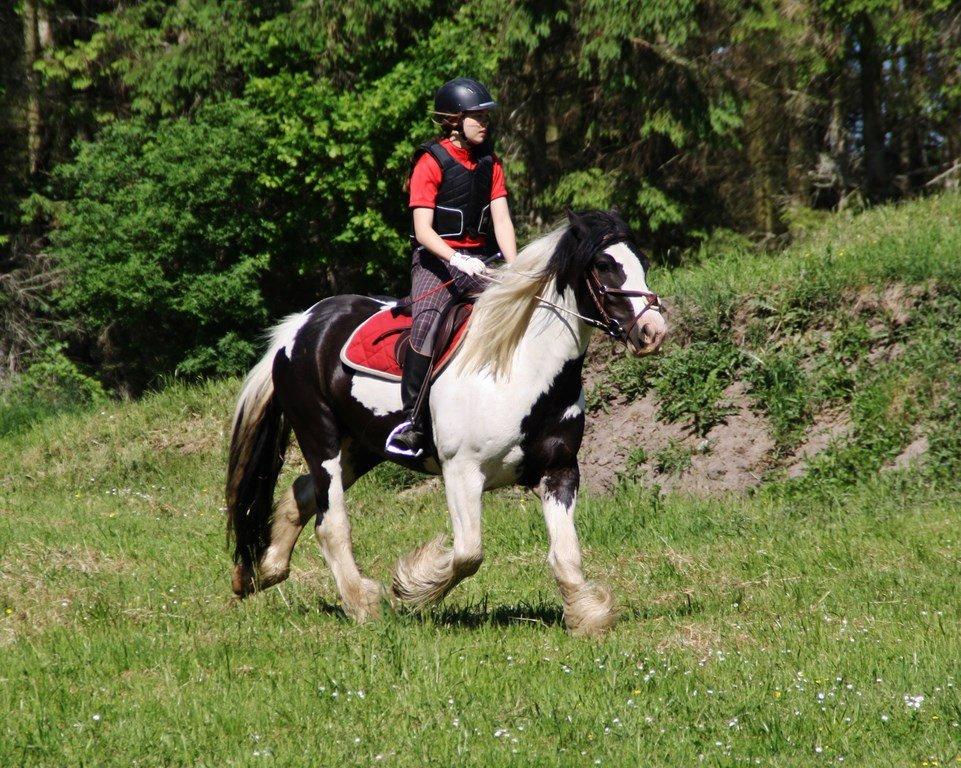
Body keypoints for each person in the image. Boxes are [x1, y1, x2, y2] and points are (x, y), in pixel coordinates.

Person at [385, 77, 518, 457]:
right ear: (454, 120)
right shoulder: (430, 161)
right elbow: (422, 230)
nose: (484, 124)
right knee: (426, 325)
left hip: (480, 262)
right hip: (436, 262)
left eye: (485, 118)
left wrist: (515, 268)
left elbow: (502, 222)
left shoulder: (490, 163)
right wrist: (456, 258)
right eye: (477, 117)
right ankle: (411, 421)